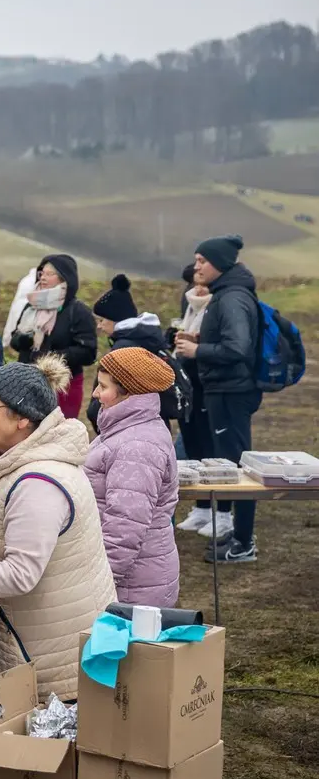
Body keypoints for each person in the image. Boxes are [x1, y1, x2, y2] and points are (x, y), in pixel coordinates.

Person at [0, 357, 116, 700]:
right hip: (34, 638)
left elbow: (20, 575)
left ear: (23, 417)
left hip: (52, 657)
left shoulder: (38, 483)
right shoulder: (12, 462)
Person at [175, 235, 262, 564]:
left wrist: (198, 349)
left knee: (238, 465)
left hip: (231, 391)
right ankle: (236, 535)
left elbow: (238, 348)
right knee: (230, 461)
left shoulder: (232, 298)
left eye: (202, 261)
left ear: (221, 264)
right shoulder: (225, 294)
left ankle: (243, 542)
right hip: (223, 389)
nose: (196, 266)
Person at [86, 348, 181, 607]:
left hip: (131, 586)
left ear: (128, 392)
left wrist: (100, 584)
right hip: (136, 576)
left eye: (103, 386)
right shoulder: (126, 429)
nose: (95, 394)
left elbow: (124, 527)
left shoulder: (136, 446)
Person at [86, 274, 185, 432]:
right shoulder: (146, 338)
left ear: (115, 319)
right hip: (152, 421)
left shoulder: (124, 348)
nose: (99, 326)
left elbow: (108, 393)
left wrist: (97, 418)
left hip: (127, 426)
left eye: (102, 320)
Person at [174, 262, 227, 538]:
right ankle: (202, 508)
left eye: (203, 285)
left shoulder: (220, 306)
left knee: (213, 448)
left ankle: (224, 512)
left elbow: (229, 346)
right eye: (194, 284)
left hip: (211, 384)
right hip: (190, 382)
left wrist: (198, 345)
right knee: (193, 444)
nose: (198, 289)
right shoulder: (190, 303)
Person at [8, 254, 96, 420]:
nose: (43, 277)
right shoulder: (32, 305)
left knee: (57, 432)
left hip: (62, 387)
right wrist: (21, 340)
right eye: (41, 273)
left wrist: (50, 357)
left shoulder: (78, 311)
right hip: (28, 383)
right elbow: (15, 339)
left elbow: (88, 352)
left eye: (49, 274)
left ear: (65, 278)